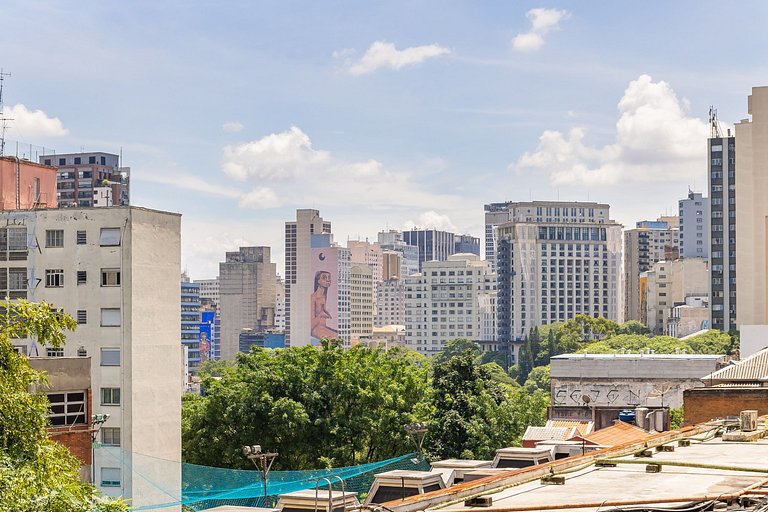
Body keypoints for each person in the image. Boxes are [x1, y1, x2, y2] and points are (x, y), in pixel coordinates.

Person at [311, 270, 338, 340]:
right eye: (324, 277)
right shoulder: (313, 297)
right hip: (315, 329)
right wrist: (321, 315)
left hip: (323, 328)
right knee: (335, 338)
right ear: (318, 281)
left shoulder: (325, 297)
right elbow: (310, 325)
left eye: (329, 278)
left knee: (339, 336)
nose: (328, 280)